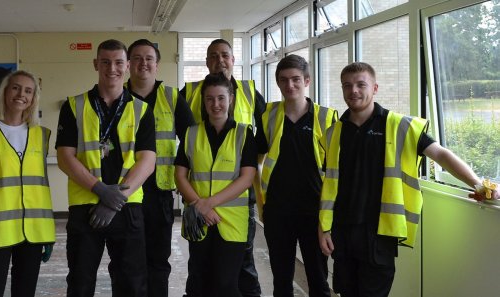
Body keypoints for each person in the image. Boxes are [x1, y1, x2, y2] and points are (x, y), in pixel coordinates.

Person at [318, 61, 499, 297]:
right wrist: (323, 228)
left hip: (379, 233)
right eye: (347, 85)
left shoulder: (400, 126)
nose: (353, 91)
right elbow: (329, 185)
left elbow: (441, 154)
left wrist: (478, 184)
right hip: (342, 232)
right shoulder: (334, 133)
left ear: (375, 88)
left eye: (361, 84)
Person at [55, 39, 156, 297]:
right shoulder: (73, 106)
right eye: (106, 62)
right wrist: (100, 189)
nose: (112, 68)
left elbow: (147, 160)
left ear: (128, 66)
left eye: (119, 62)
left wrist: (115, 199)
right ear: (95, 64)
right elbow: (65, 157)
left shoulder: (140, 109)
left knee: (131, 284)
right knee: (80, 282)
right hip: (85, 207)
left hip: (126, 208)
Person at [180, 38, 265, 297]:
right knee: (199, 272)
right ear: (207, 62)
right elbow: (181, 140)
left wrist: (249, 164)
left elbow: (267, 134)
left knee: (243, 268)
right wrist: (198, 202)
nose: (220, 61)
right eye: (214, 56)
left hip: (237, 200)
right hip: (198, 200)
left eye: (225, 55)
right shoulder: (190, 92)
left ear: (233, 59)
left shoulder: (250, 92)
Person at [0, 70, 55, 297]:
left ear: (33, 98)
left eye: (28, 90)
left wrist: (48, 233)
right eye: (15, 87)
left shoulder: (41, 135)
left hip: (34, 231)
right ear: (4, 92)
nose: (21, 94)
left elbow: (40, 187)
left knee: (25, 292)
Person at [255, 55, 335, 297]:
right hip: (278, 212)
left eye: (296, 79)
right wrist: (263, 203)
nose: (290, 85)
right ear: (277, 83)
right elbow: (255, 161)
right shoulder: (269, 115)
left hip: (315, 212)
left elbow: (336, 171)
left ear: (307, 81)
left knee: (319, 280)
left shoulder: (327, 117)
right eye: (284, 80)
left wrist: (330, 217)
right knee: (281, 281)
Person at [126, 39, 195, 297]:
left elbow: (191, 140)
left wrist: (181, 174)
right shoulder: (117, 96)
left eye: (148, 58)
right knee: (128, 261)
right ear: (129, 63)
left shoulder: (172, 97)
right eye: (137, 58)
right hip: (127, 192)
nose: (143, 63)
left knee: (157, 261)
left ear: (157, 64)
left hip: (160, 191)